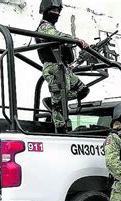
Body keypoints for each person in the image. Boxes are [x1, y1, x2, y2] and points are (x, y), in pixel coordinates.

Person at [36, 0, 90, 131]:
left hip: (61, 67)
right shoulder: (44, 27)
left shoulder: (52, 28)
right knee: (59, 104)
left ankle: (53, 102)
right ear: (46, 11)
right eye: (53, 11)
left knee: (82, 90)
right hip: (53, 67)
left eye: (58, 11)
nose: (56, 14)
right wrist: (75, 40)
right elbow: (54, 35)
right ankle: (60, 127)